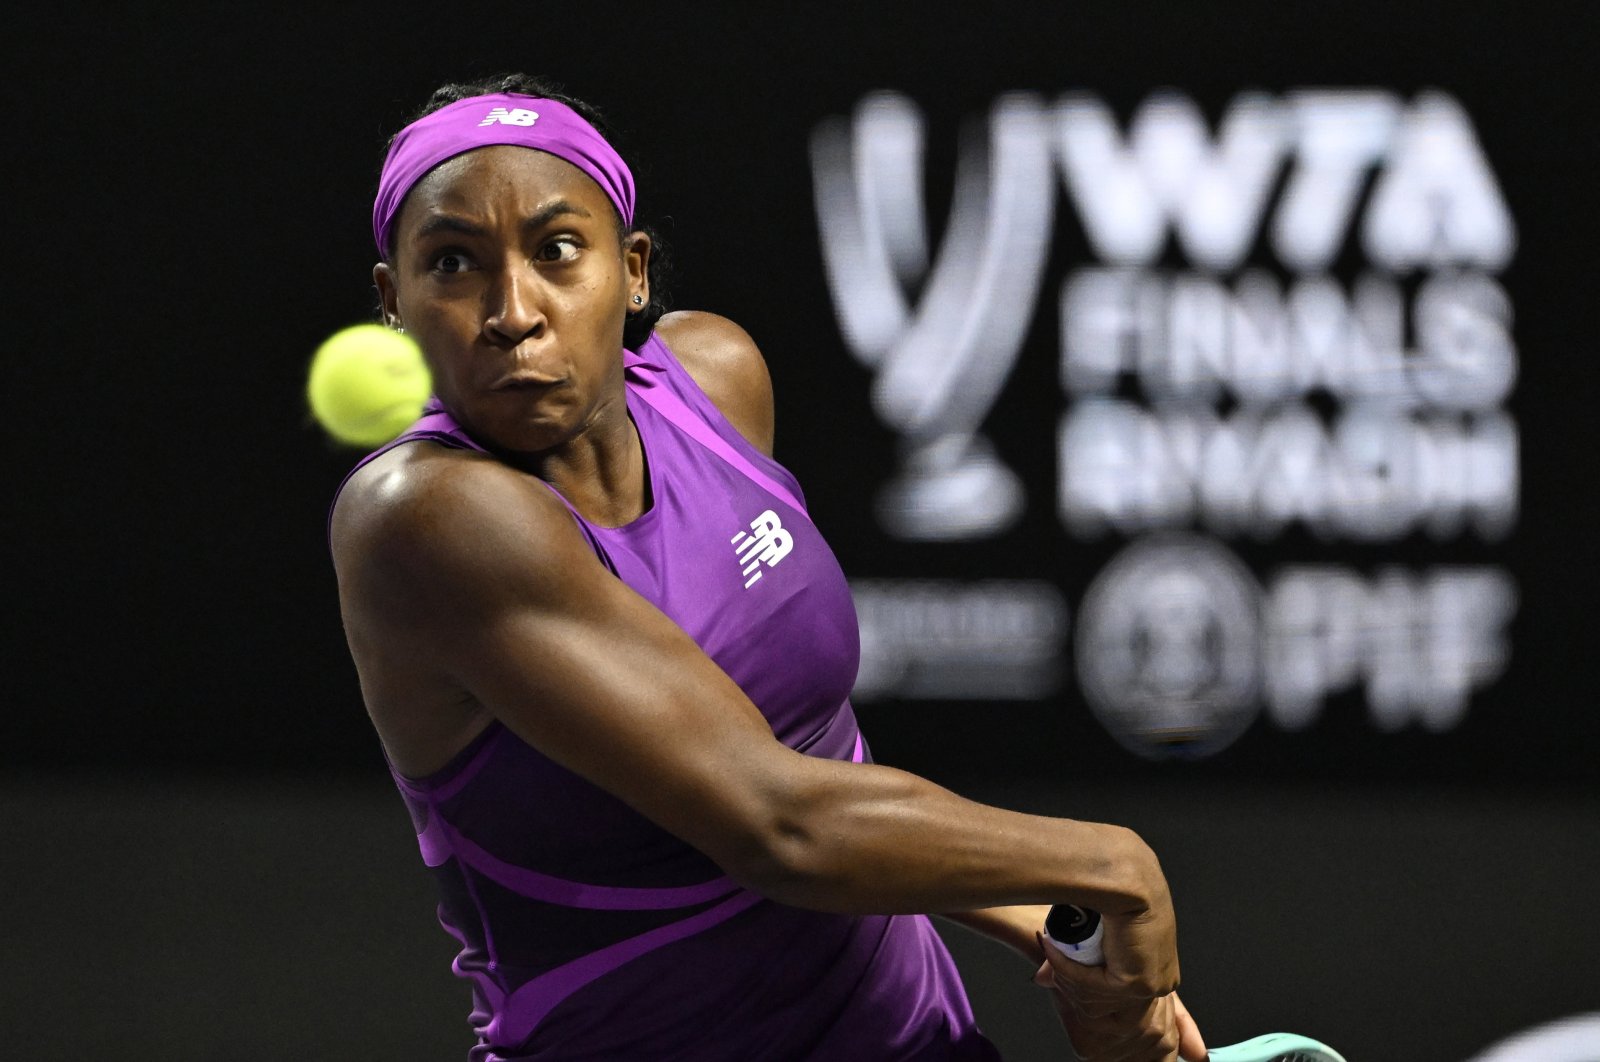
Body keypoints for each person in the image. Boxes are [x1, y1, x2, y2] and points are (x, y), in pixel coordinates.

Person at [327, 72, 1208, 1062]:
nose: (513, 311)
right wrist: (1108, 869)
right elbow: (778, 825)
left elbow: (826, 762)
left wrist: (1052, 926)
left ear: (635, 271)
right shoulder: (426, 518)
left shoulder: (717, 379)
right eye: (453, 263)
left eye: (557, 250)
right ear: (392, 300)